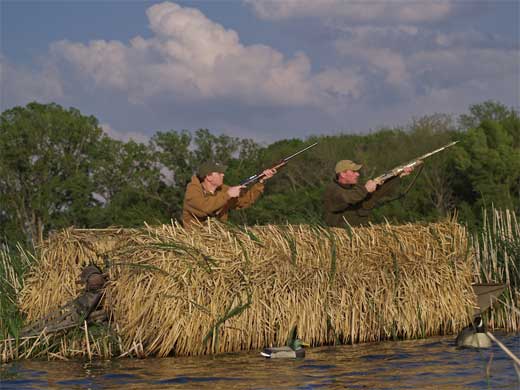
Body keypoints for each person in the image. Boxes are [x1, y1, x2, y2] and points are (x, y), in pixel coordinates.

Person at [182, 161, 276, 228]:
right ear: (209, 177)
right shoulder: (193, 191)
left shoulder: (223, 189)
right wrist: (228, 195)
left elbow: (245, 202)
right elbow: (203, 208)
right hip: (196, 241)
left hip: (219, 240)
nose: (223, 175)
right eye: (219, 173)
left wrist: (261, 181)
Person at [323, 159, 415, 227]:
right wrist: (366, 189)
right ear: (342, 174)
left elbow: (378, 193)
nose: (357, 174)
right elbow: (348, 198)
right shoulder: (333, 190)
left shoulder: (357, 188)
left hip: (360, 236)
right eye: (354, 171)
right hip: (341, 238)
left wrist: (398, 176)